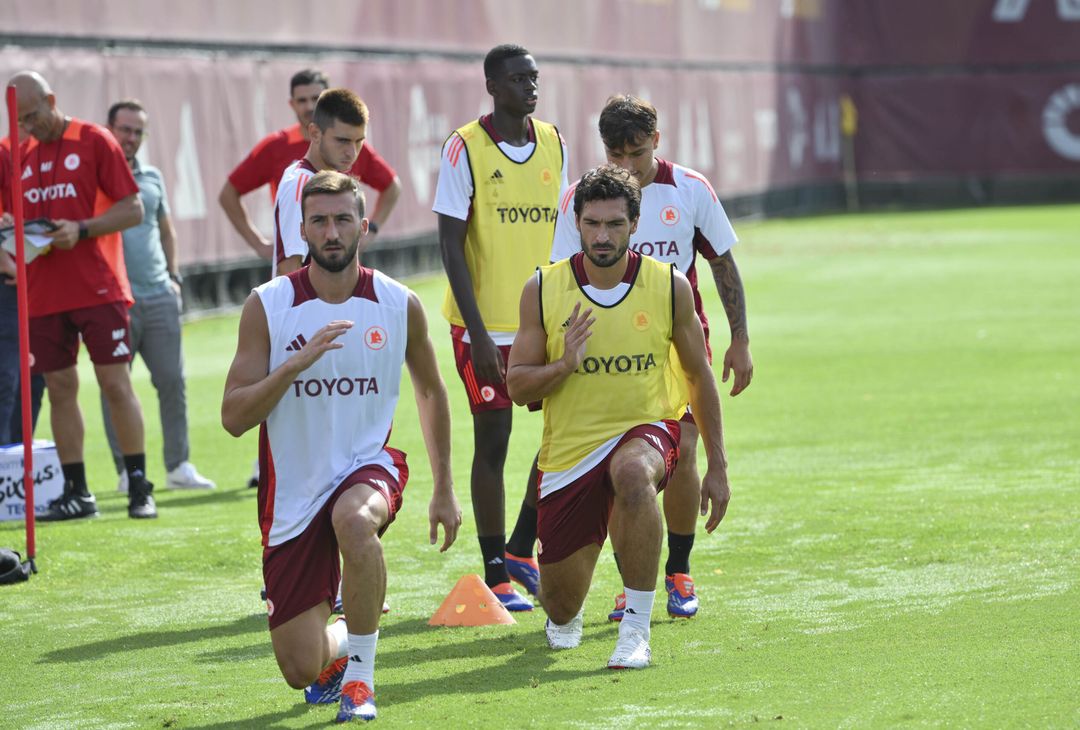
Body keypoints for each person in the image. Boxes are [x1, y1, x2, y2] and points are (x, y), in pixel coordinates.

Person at [221, 170, 461, 722]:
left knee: (355, 521)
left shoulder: (399, 304)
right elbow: (234, 418)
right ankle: (353, 625)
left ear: (364, 226)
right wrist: (294, 366)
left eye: (343, 219)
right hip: (292, 496)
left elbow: (430, 389)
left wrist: (443, 488)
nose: (332, 231)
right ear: (301, 230)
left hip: (368, 467)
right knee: (299, 669)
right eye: (320, 221)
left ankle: (361, 681)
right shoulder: (268, 305)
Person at [507, 165, 731, 669]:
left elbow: (699, 377)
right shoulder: (542, 289)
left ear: (635, 224)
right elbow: (517, 385)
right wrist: (565, 364)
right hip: (570, 450)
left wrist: (717, 464)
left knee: (633, 474)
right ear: (577, 224)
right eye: (592, 224)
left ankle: (635, 628)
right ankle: (564, 614)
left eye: (614, 224)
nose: (602, 235)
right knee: (561, 607)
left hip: (647, 430)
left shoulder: (669, 286)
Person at [550, 95, 753, 621]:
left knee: (684, 449)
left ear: (656, 142)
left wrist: (740, 339)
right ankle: (631, 582)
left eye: (636, 153)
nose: (626, 166)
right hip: (608, 345)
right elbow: (560, 279)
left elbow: (723, 265)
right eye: (615, 155)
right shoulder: (582, 199)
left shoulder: (689, 188)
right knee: (623, 463)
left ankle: (678, 571)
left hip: (676, 340)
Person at [432, 43, 568, 610]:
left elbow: (562, 232)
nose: (529, 88)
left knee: (564, 437)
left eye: (534, 78)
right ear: (492, 85)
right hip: (482, 327)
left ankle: (520, 544)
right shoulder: (465, 146)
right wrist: (480, 333)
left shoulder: (555, 141)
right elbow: (449, 242)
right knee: (494, 438)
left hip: (541, 322)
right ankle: (496, 574)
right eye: (517, 79)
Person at [8, 70, 156, 520]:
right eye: (21, 121)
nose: (30, 127)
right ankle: (77, 491)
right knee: (60, 388)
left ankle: (138, 485)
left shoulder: (93, 139)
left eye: (34, 115)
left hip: (98, 286)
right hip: (44, 292)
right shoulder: (21, 153)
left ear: (52, 99)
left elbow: (134, 208)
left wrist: (82, 229)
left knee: (115, 384)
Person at [99, 99, 215, 492]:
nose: (130, 138)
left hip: (159, 293)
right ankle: (125, 471)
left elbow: (166, 230)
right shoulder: (94, 179)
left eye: (137, 131)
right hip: (114, 299)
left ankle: (178, 465)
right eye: (124, 129)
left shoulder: (152, 176)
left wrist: (175, 277)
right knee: (116, 386)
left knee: (172, 382)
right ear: (109, 129)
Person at [219, 68, 401, 264]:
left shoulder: (352, 145)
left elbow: (392, 186)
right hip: (306, 272)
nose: (309, 107)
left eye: (316, 98)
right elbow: (228, 194)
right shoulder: (278, 150)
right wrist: (259, 245)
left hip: (342, 272)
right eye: (302, 101)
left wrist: (371, 229)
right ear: (291, 104)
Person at [271, 88, 370, 278]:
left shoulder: (321, 179)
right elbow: (289, 269)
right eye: (342, 140)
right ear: (315, 133)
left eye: (359, 141)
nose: (352, 152)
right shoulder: (300, 183)